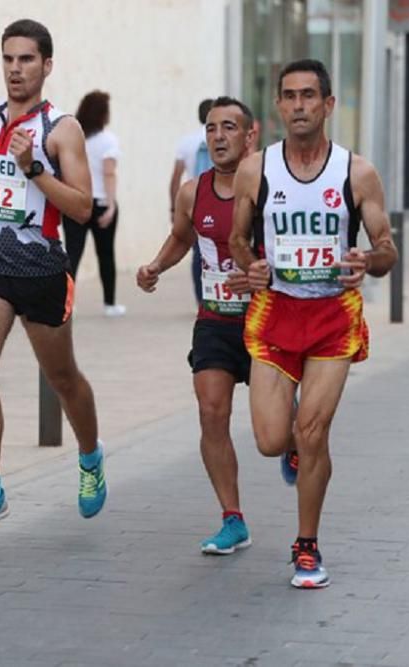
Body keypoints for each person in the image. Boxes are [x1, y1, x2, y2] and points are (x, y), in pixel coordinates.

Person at [228, 59, 397, 588]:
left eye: (308, 96)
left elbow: (387, 247)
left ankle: (306, 546)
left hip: (332, 318)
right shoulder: (257, 169)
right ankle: (296, 446)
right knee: (270, 439)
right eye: (289, 96)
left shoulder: (357, 173)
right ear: (278, 105)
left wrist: (368, 262)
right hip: (275, 311)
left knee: (313, 430)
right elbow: (237, 239)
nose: (298, 106)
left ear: (328, 104)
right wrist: (248, 265)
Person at [0, 18, 107, 535]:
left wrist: (37, 171)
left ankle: (89, 457)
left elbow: (83, 207)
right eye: (8, 59)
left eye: (26, 60)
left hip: (40, 268)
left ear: (47, 65)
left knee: (63, 379)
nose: (15, 70)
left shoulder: (62, 129)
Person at [137, 97, 256, 555]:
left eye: (229, 127)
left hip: (264, 321)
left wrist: (263, 272)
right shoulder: (193, 191)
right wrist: (155, 267)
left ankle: (293, 438)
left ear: (250, 136)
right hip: (215, 320)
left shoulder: (268, 187)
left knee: (276, 433)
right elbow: (183, 237)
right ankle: (232, 518)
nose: (219, 136)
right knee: (211, 412)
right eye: (211, 128)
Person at [63, 90, 126, 317]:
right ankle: (110, 304)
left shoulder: (73, 137)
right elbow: (109, 173)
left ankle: (67, 304)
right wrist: (110, 205)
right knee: (106, 255)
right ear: (102, 114)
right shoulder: (108, 140)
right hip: (100, 203)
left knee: (72, 254)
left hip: (75, 202)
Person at [169, 99, 214, 305]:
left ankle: (200, 299)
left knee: (197, 251)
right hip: (220, 200)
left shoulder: (186, 142)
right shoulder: (224, 138)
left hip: (194, 200)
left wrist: (174, 207)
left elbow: (176, 177)